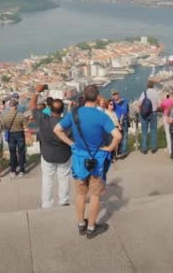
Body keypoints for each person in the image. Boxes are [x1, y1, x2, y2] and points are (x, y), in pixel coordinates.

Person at [54, 85, 122, 239]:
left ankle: (81, 224)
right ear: (97, 97)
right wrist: (109, 148)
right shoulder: (102, 116)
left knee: (80, 194)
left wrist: (71, 143)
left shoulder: (74, 113)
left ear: (84, 96)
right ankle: (91, 227)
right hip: (97, 158)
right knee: (95, 195)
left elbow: (57, 129)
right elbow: (117, 136)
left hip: (79, 157)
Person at [30, 84, 72, 208]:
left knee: (47, 180)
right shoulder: (67, 124)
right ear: (62, 110)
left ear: (51, 109)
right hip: (63, 155)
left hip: (47, 154)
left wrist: (37, 92)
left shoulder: (44, 119)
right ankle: (63, 201)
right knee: (63, 178)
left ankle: (47, 204)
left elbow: (32, 106)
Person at [1, 99, 27, 178]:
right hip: (20, 134)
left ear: (10, 106)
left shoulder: (5, 117)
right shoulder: (21, 115)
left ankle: (13, 170)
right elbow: (25, 126)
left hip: (11, 135)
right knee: (21, 153)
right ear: (16, 106)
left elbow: (4, 127)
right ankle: (22, 170)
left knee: (12, 153)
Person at [137, 81, 160, 154]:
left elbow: (140, 104)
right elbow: (159, 105)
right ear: (153, 85)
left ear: (147, 86)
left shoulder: (144, 93)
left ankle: (144, 148)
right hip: (154, 113)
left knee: (144, 132)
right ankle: (153, 148)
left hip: (145, 114)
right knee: (153, 130)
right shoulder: (156, 93)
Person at [112, 90, 130, 158]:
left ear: (119, 94)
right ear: (113, 96)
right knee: (118, 137)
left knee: (124, 136)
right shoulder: (112, 103)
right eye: (114, 95)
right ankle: (119, 151)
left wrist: (121, 120)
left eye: (116, 94)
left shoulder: (124, 101)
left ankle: (123, 152)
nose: (115, 96)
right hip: (116, 122)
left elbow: (124, 111)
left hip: (123, 121)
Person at [159, 93, 173, 158]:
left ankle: (169, 149)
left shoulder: (166, 100)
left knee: (168, 134)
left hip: (166, 116)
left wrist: (163, 100)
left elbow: (161, 107)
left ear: (168, 94)